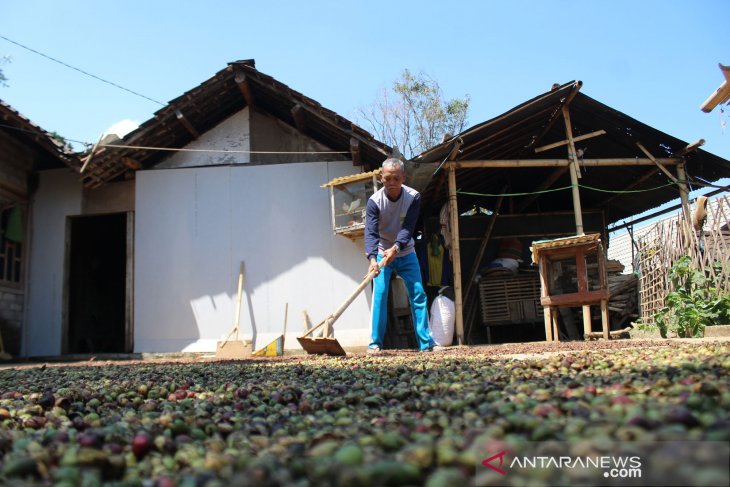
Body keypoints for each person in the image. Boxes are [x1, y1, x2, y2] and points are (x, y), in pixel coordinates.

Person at [365, 157, 443, 353]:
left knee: (418, 294)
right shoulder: (374, 202)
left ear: (403, 178)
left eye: (396, 178)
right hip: (383, 253)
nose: (392, 183)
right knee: (380, 295)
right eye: (388, 178)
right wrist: (373, 259)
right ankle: (375, 344)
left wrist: (397, 248)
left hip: (406, 251)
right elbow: (371, 233)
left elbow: (409, 227)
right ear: (381, 177)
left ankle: (426, 344)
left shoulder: (413, 197)